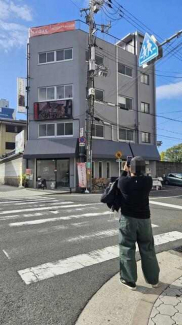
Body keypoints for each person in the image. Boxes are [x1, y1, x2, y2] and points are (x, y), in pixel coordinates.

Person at [118, 156, 160, 290]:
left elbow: (123, 176)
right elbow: (143, 175)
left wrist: (126, 170)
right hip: (144, 220)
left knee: (127, 248)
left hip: (128, 219)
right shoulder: (148, 181)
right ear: (144, 169)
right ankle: (153, 280)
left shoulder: (123, 182)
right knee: (148, 249)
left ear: (130, 168)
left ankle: (129, 280)